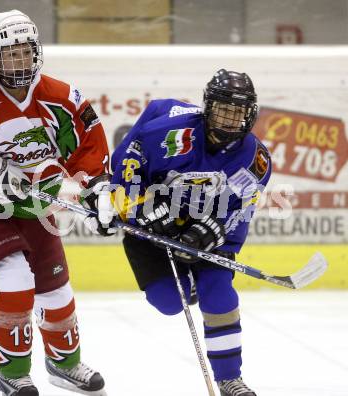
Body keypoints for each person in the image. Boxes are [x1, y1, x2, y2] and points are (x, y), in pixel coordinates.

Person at [0, 10, 114, 396]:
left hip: (33, 208)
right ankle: (12, 371)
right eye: (10, 53)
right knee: (14, 279)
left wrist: (98, 190)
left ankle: (65, 365)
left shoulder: (62, 98)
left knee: (56, 288)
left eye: (26, 51)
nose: (20, 61)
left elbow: (89, 149)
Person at [110, 69, 271, 396]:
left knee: (219, 293)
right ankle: (188, 282)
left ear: (250, 114)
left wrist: (207, 232)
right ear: (208, 107)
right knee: (170, 301)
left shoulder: (255, 159)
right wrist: (141, 209)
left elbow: (237, 207)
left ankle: (229, 379)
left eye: (238, 112)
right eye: (224, 110)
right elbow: (125, 168)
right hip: (151, 228)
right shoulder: (166, 134)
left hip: (204, 221)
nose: (229, 120)